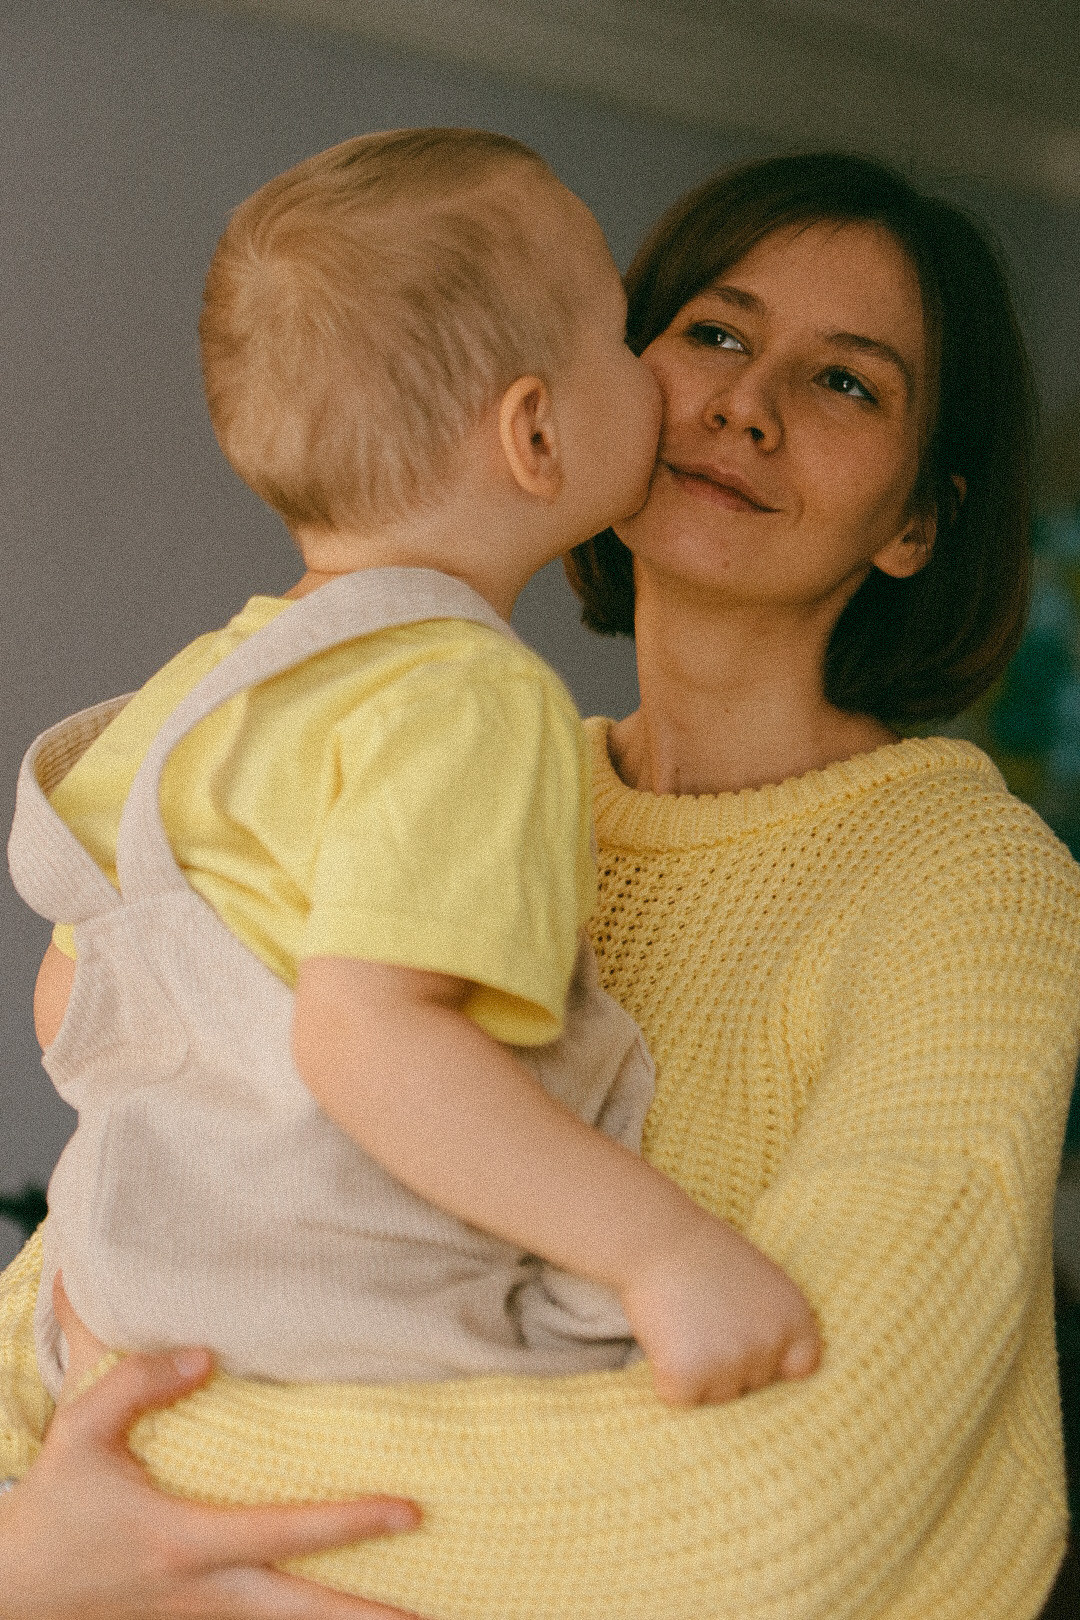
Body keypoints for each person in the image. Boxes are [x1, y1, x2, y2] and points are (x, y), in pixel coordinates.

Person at [1, 148, 1078, 1620]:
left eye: (848, 384)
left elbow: (786, 1518)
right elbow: (111, 1255)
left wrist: (146, 1546)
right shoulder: (424, 760)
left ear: (916, 523)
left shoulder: (971, 887)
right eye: (712, 331)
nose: (745, 403)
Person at [8, 126, 820, 1414]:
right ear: (536, 433)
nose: (660, 383)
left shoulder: (213, 683)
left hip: (128, 1282)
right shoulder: (472, 699)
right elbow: (365, 1041)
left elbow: (74, 987)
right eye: (624, 337)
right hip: (348, 1304)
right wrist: (666, 1252)